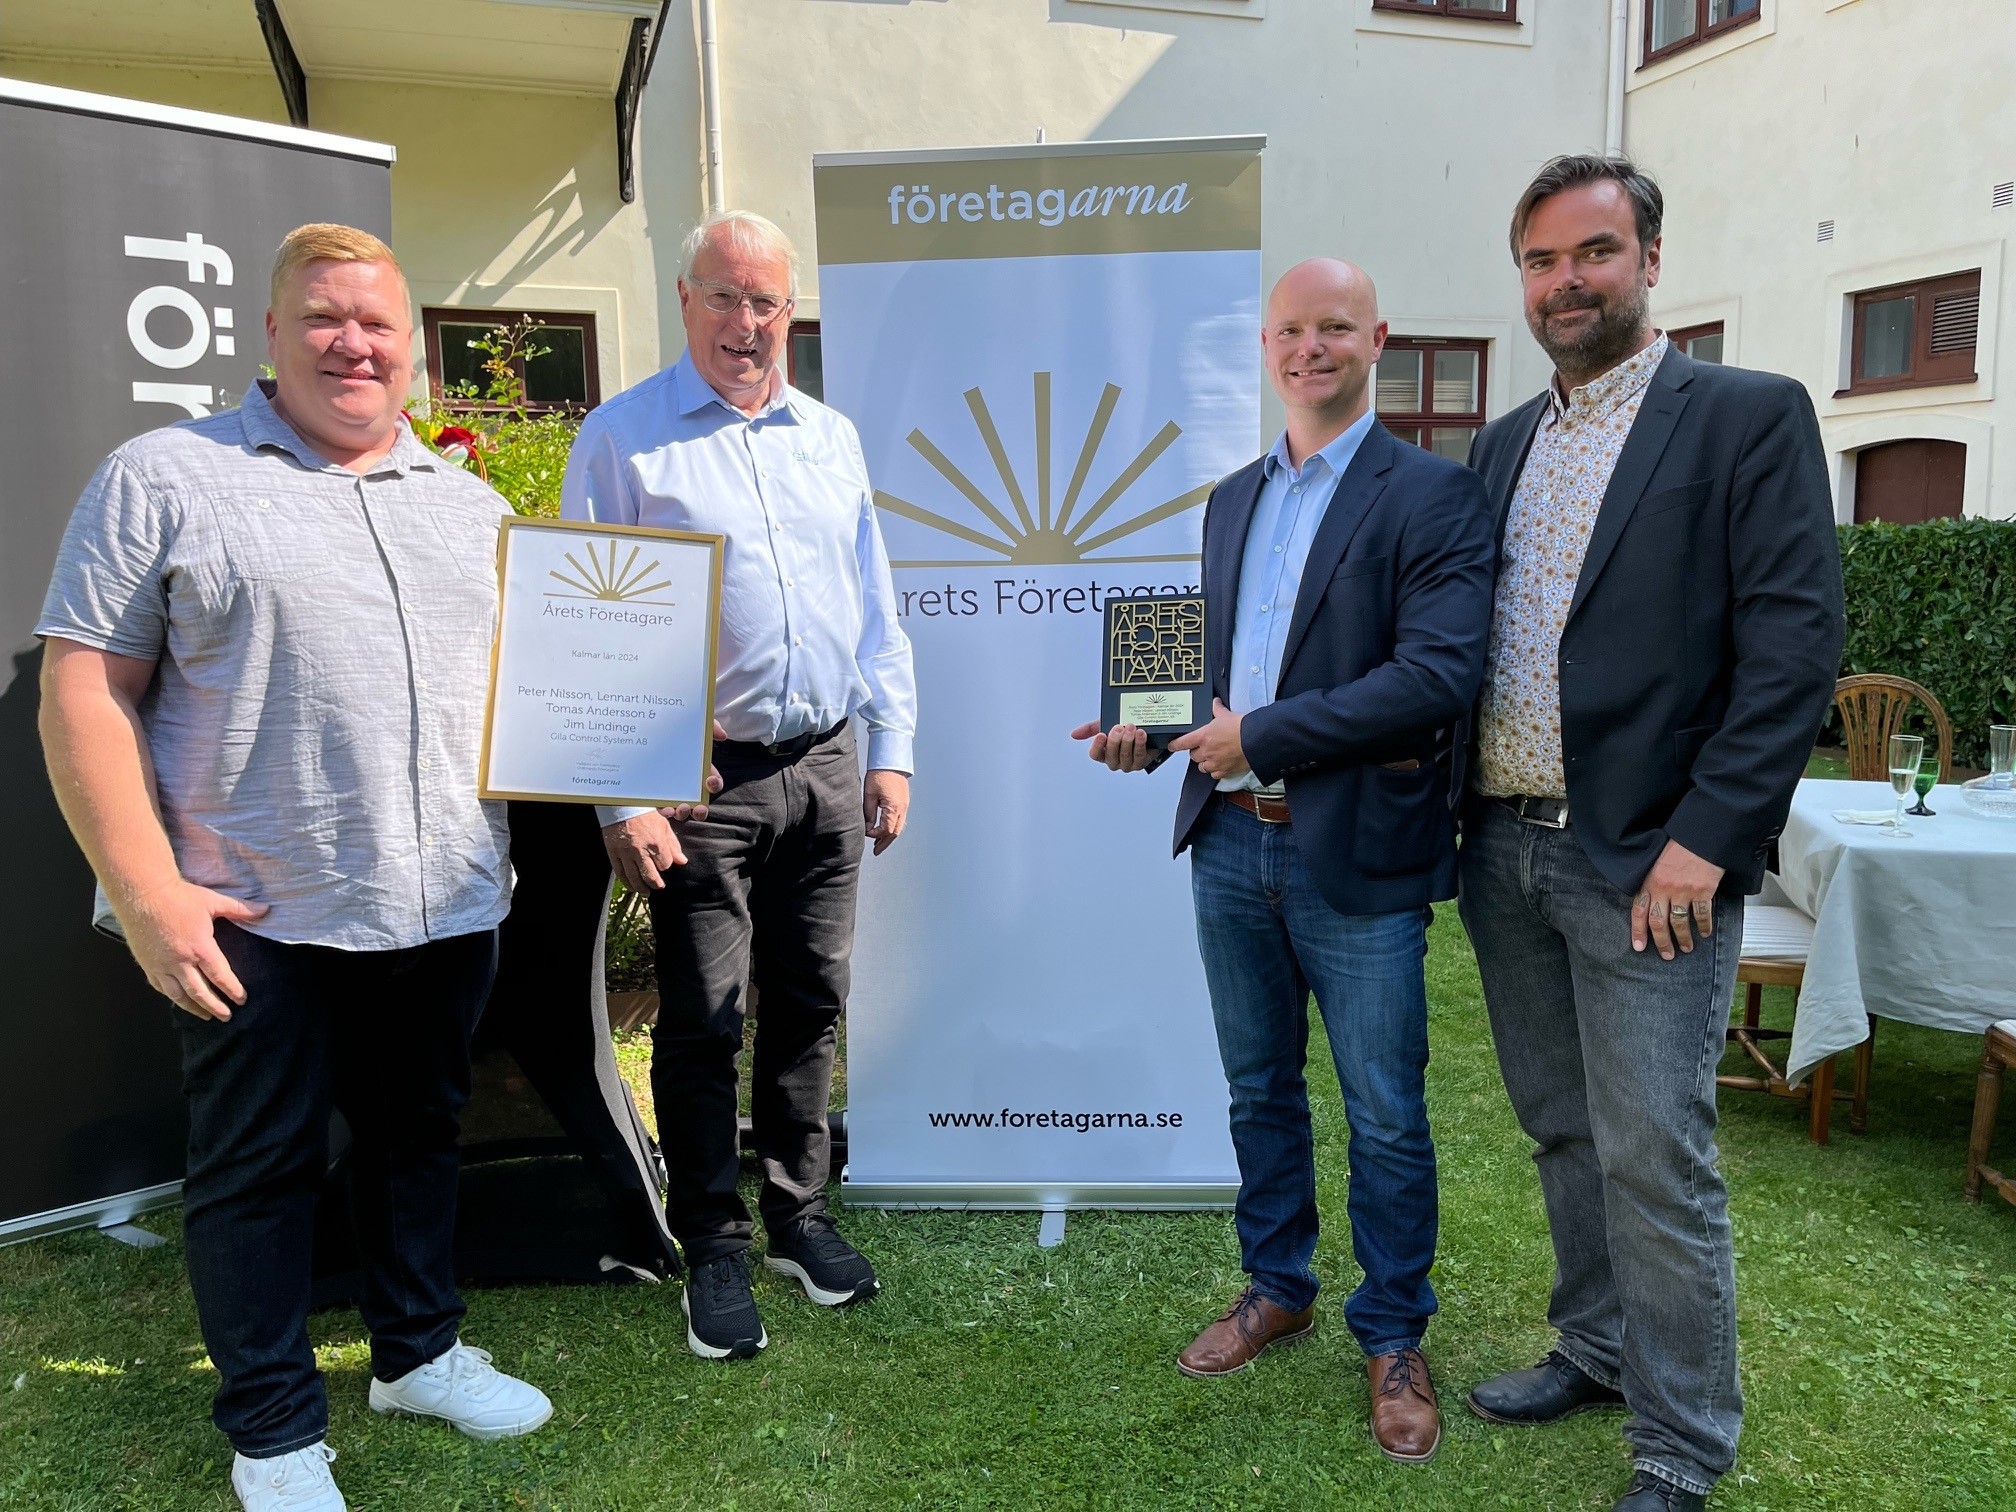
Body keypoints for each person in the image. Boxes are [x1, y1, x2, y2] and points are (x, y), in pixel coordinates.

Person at [35, 225, 552, 1512]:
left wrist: (645, 753)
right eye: (325, 317)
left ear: (413, 349)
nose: (353, 344)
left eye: (378, 324)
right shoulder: (165, 476)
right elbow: (83, 687)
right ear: (271, 333)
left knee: (418, 1140)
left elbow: (541, 697)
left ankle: (416, 1355)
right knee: (257, 1170)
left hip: (442, 899)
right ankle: (271, 1428)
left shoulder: (471, 506)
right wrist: (147, 893)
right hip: (253, 907)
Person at [1457, 156, 1844, 1512]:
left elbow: (1791, 647)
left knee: (1655, 1154)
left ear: (1651, 261)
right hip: (1502, 849)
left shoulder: (1744, 416)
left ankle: (1681, 1442)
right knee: (1562, 1127)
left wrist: (1708, 838)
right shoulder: (1503, 444)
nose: (1566, 281)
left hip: (1649, 864)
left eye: (1595, 252)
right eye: (1542, 260)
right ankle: (1597, 1345)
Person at [1073, 259, 1495, 1463]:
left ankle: (1394, 1332)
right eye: (1291, 330)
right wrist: (1148, 731)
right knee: (1258, 1088)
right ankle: (1278, 1284)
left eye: (1334, 327)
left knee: (1385, 1112)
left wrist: (1259, 735)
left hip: (1354, 852)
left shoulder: (1433, 495)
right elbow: (1218, 671)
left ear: (1378, 338)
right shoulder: (1229, 499)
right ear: (1265, 347)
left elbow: (1435, 676)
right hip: (1226, 842)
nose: (1310, 348)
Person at [560, 210, 916, 1361]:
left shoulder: (831, 439)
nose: (746, 322)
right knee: (704, 1021)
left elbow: (875, 607)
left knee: (810, 1002)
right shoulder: (625, 440)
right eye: (724, 296)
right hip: (701, 787)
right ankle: (713, 1241)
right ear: (685, 300)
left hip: (828, 763)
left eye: (766, 301)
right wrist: (622, 799)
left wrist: (891, 749)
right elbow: (586, 624)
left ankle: (798, 1215)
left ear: (789, 312)